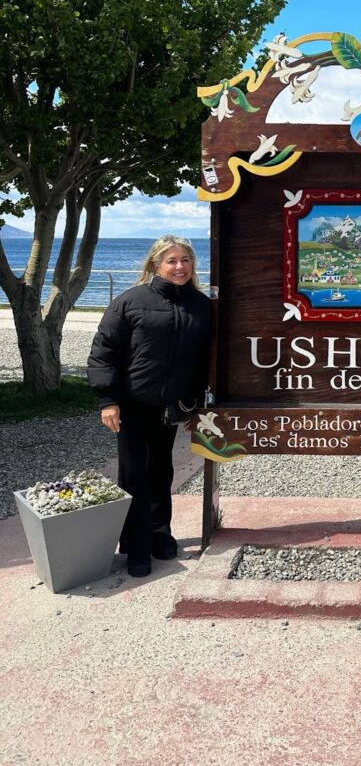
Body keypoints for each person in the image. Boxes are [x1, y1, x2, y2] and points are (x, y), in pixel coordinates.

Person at [87, 236, 211, 578]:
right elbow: (104, 351)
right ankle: (135, 546)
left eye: (185, 260)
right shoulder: (130, 301)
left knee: (162, 470)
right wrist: (108, 400)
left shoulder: (201, 305)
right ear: (156, 265)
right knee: (133, 474)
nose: (180, 267)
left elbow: (204, 361)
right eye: (171, 260)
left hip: (170, 407)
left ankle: (159, 534)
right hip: (131, 405)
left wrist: (197, 405)